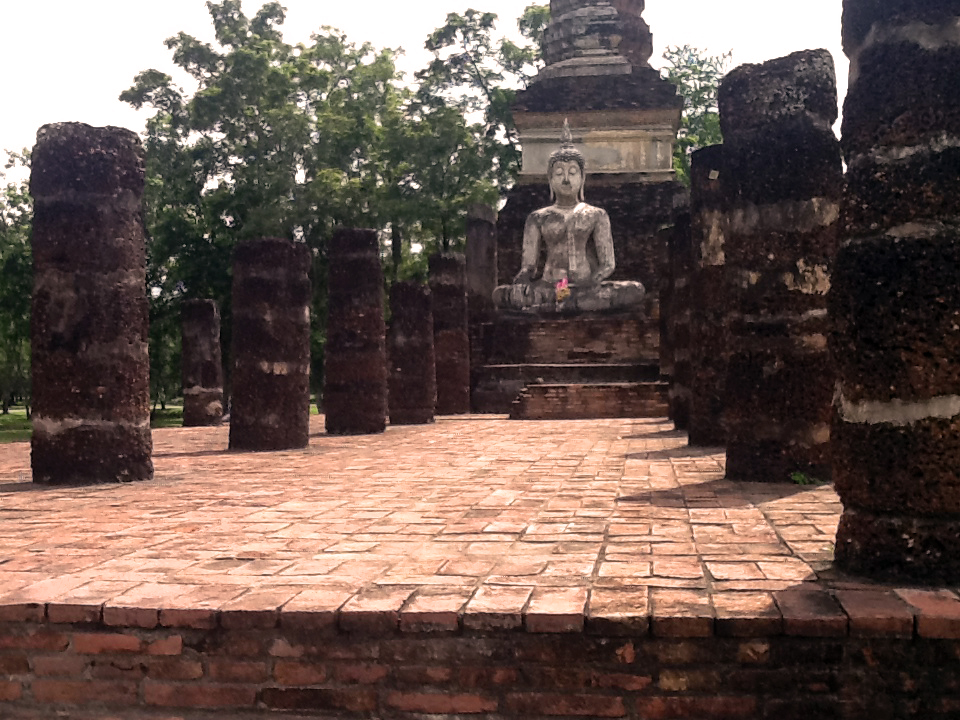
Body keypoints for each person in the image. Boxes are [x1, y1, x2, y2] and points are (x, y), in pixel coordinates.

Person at [493, 121, 643, 312]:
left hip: (585, 287)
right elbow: (529, 267)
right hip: (549, 285)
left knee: (634, 290)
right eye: (559, 173)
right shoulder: (538, 217)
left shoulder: (596, 214)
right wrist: (521, 281)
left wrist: (591, 283)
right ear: (550, 179)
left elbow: (608, 264)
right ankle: (561, 303)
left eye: (572, 172)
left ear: (582, 178)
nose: (566, 179)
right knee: (500, 294)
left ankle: (557, 305)